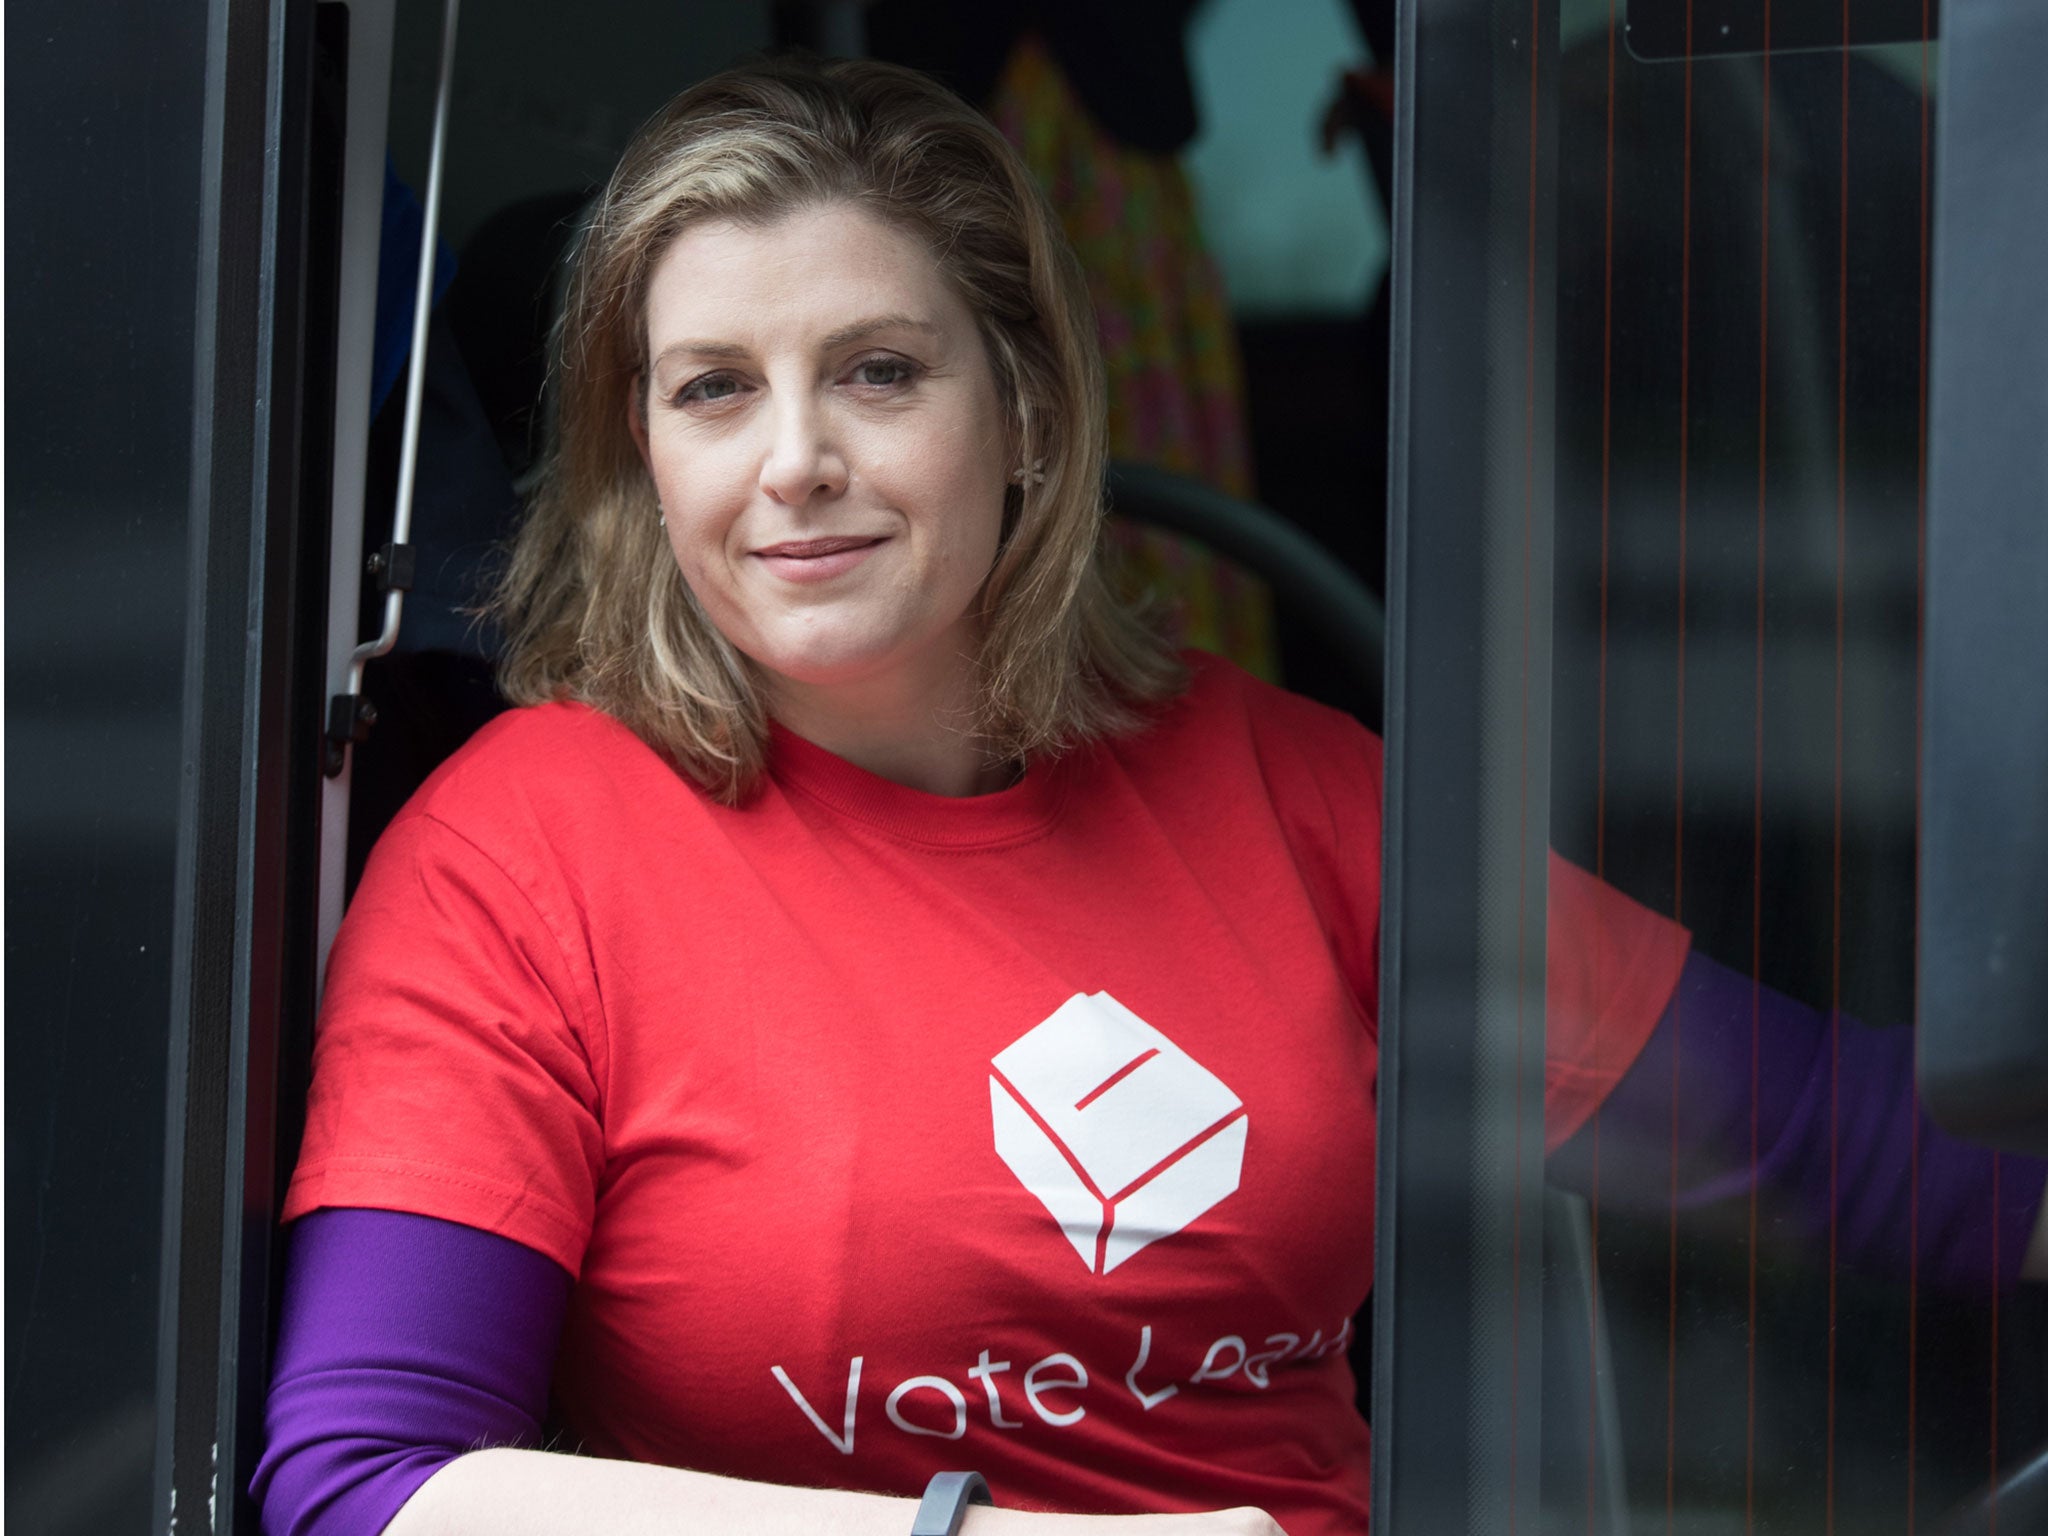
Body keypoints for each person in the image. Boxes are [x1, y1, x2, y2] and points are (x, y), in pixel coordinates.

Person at [253, 55, 2044, 1536]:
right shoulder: (525, 852)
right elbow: (360, 1486)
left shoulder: (1290, 795)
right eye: (714, 391)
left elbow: (1852, 1148)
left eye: (879, 370)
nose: (796, 462)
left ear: (1023, 408)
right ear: (643, 455)